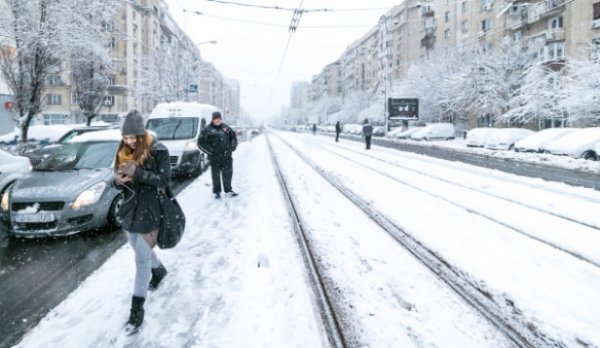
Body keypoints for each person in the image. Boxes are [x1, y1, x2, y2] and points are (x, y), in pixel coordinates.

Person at [114, 110, 171, 334]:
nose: (128, 142)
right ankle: (159, 271)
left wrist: (137, 173)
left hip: (152, 210)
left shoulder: (158, 150)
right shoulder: (122, 150)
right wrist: (118, 179)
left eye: (132, 138)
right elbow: (115, 178)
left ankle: (136, 312)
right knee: (135, 246)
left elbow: (164, 180)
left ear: (141, 134)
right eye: (125, 138)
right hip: (130, 209)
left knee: (141, 258)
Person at [198, 111, 238, 199]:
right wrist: (210, 151)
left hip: (227, 157)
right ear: (213, 120)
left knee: (228, 174)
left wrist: (233, 147)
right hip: (215, 157)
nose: (218, 120)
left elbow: (233, 137)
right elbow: (200, 142)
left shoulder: (226, 128)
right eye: (216, 119)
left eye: (219, 119)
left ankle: (228, 190)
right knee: (216, 175)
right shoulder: (207, 130)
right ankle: (217, 192)